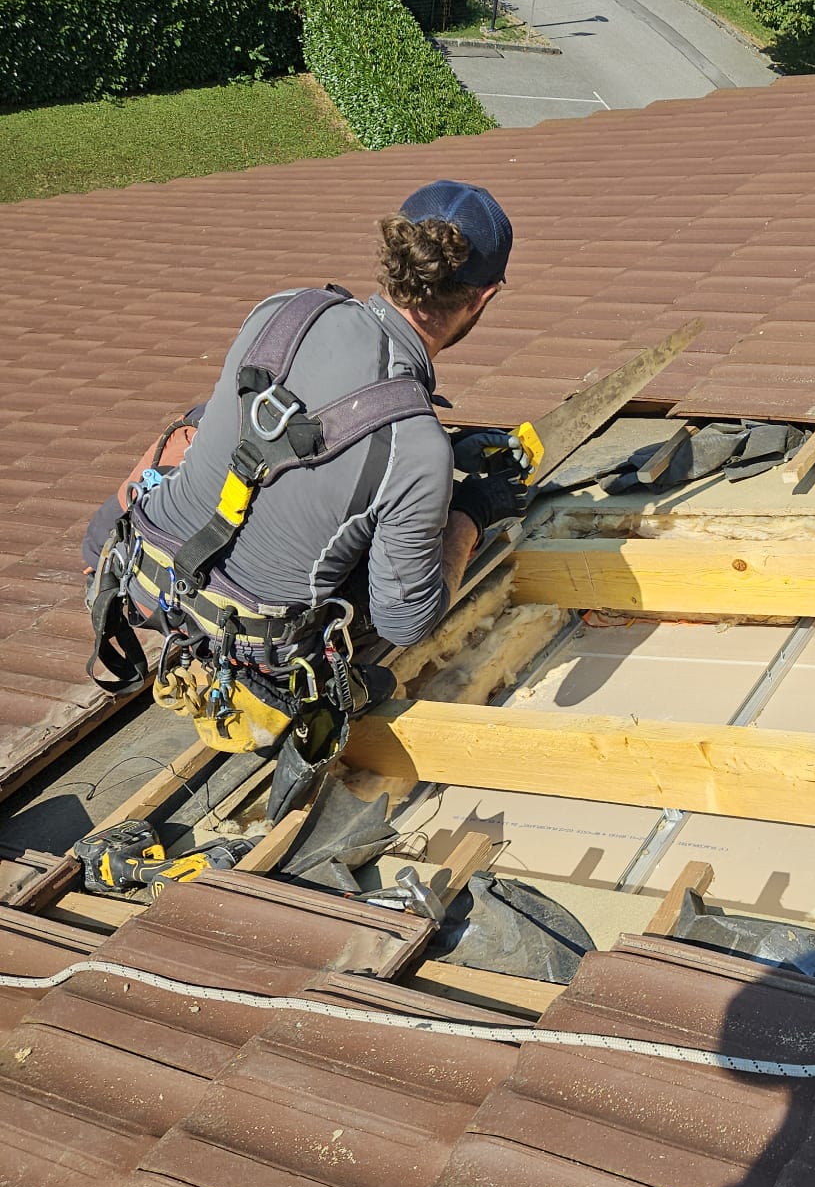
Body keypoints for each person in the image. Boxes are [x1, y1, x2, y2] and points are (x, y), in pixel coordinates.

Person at [84, 180, 526, 811]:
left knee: (207, 418)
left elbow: (253, 430)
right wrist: (470, 511)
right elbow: (406, 619)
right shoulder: (414, 447)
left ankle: (107, 552)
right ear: (483, 298)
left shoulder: (286, 310)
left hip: (146, 584)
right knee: (393, 583)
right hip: (249, 662)